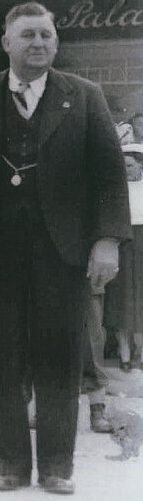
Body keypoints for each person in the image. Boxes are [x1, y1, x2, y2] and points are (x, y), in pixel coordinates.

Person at [0, 2, 130, 494]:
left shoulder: (85, 96)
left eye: (45, 34)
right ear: (6, 44)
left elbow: (110, 176)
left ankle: (57, 465)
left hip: (63, 251)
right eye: (27, 35)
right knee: (0, 356)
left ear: (56, 43)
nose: (37, 43)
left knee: (60, 355)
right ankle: (10, 464)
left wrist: (107, 240)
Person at [107, 144, 143, 371]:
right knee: (122, 299)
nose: (126, 170)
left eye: (130, 165)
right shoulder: (116, 190)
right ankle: (125, 354)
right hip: (123, 245)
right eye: (123, 166)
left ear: (140, 165)